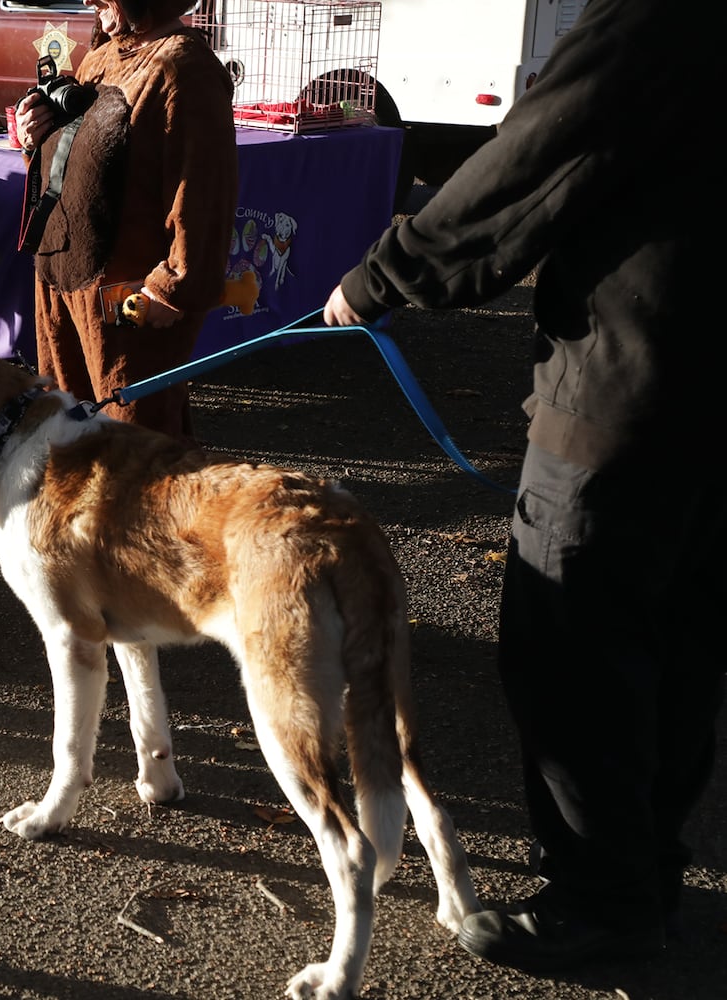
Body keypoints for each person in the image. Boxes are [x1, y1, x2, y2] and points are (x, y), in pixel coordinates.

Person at [319, 0, 722, 975]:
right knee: (678, 641)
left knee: (573, 642)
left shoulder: (655, 22)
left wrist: (383, 276)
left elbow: (535, 160)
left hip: (632, 385)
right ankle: (644, 875)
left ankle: (603, 903)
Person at [12, 0, 236, 442]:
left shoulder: (182, 67)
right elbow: (77, 162)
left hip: (123, 307)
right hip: (62, 285)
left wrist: (172, 287)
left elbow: (203, 195)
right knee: (67, 446)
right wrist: (34, 135)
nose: (86, 0)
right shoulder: (98, 59)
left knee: (139, 457)